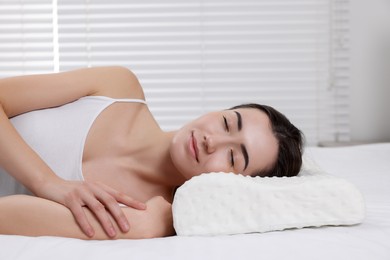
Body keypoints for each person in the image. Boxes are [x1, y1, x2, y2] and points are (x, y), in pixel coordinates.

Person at [0, 66, 303, 240]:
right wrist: (47, 181)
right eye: (226, 122)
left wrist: (146, 228)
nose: (214, 141)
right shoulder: (118, 87)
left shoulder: (147, 216)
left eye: (234, 158)